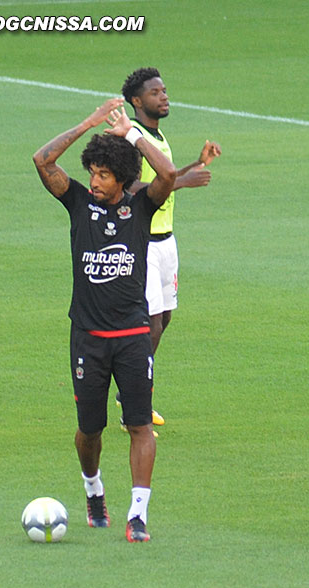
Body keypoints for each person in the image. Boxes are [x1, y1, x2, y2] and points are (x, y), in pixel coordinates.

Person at [33, 97, 176, 543]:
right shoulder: (78, 203)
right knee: (89, 431)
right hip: (88, 338)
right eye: (92, 171)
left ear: (123, 179)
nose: (94, 181)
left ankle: (138, 515)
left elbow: (169, 176)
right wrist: (90, 123)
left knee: (140, 424)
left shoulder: (142, 208)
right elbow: (43, 159)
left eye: (103, 174)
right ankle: (93, 490)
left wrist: (132, 134)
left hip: (132, 335)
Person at [117, 67, 222, 428]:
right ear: (136, 101)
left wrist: (197, 164)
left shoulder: (155, 137)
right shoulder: (129, 139)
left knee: (165, 318)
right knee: (152, 322)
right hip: (142, 242)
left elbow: (166, 177)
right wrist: (184, 181)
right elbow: (129, 190)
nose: (164, 96)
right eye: (155, 92)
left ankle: (130, 392)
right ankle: (135, 400)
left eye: (164, 91)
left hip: (166, 241)